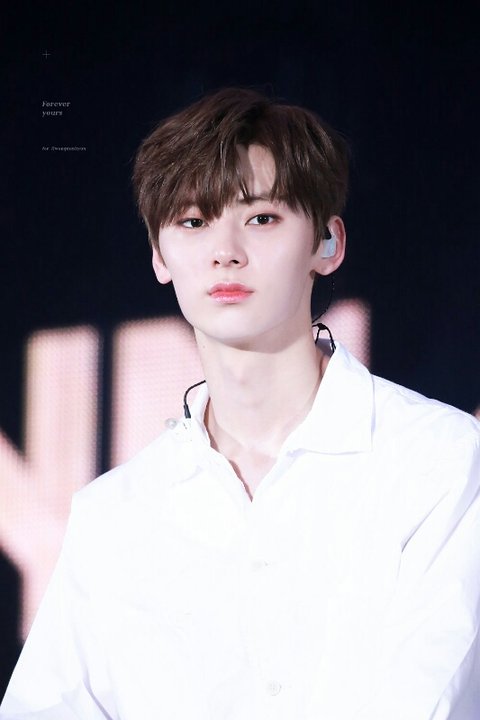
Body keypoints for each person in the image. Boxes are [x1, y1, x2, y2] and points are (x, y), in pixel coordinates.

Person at [1, 88, 479, 719]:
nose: (225, 250)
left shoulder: (441, 465)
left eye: (261, 218)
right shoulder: (113, 517)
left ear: (327, 244)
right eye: (193, 222)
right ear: (159, 256)